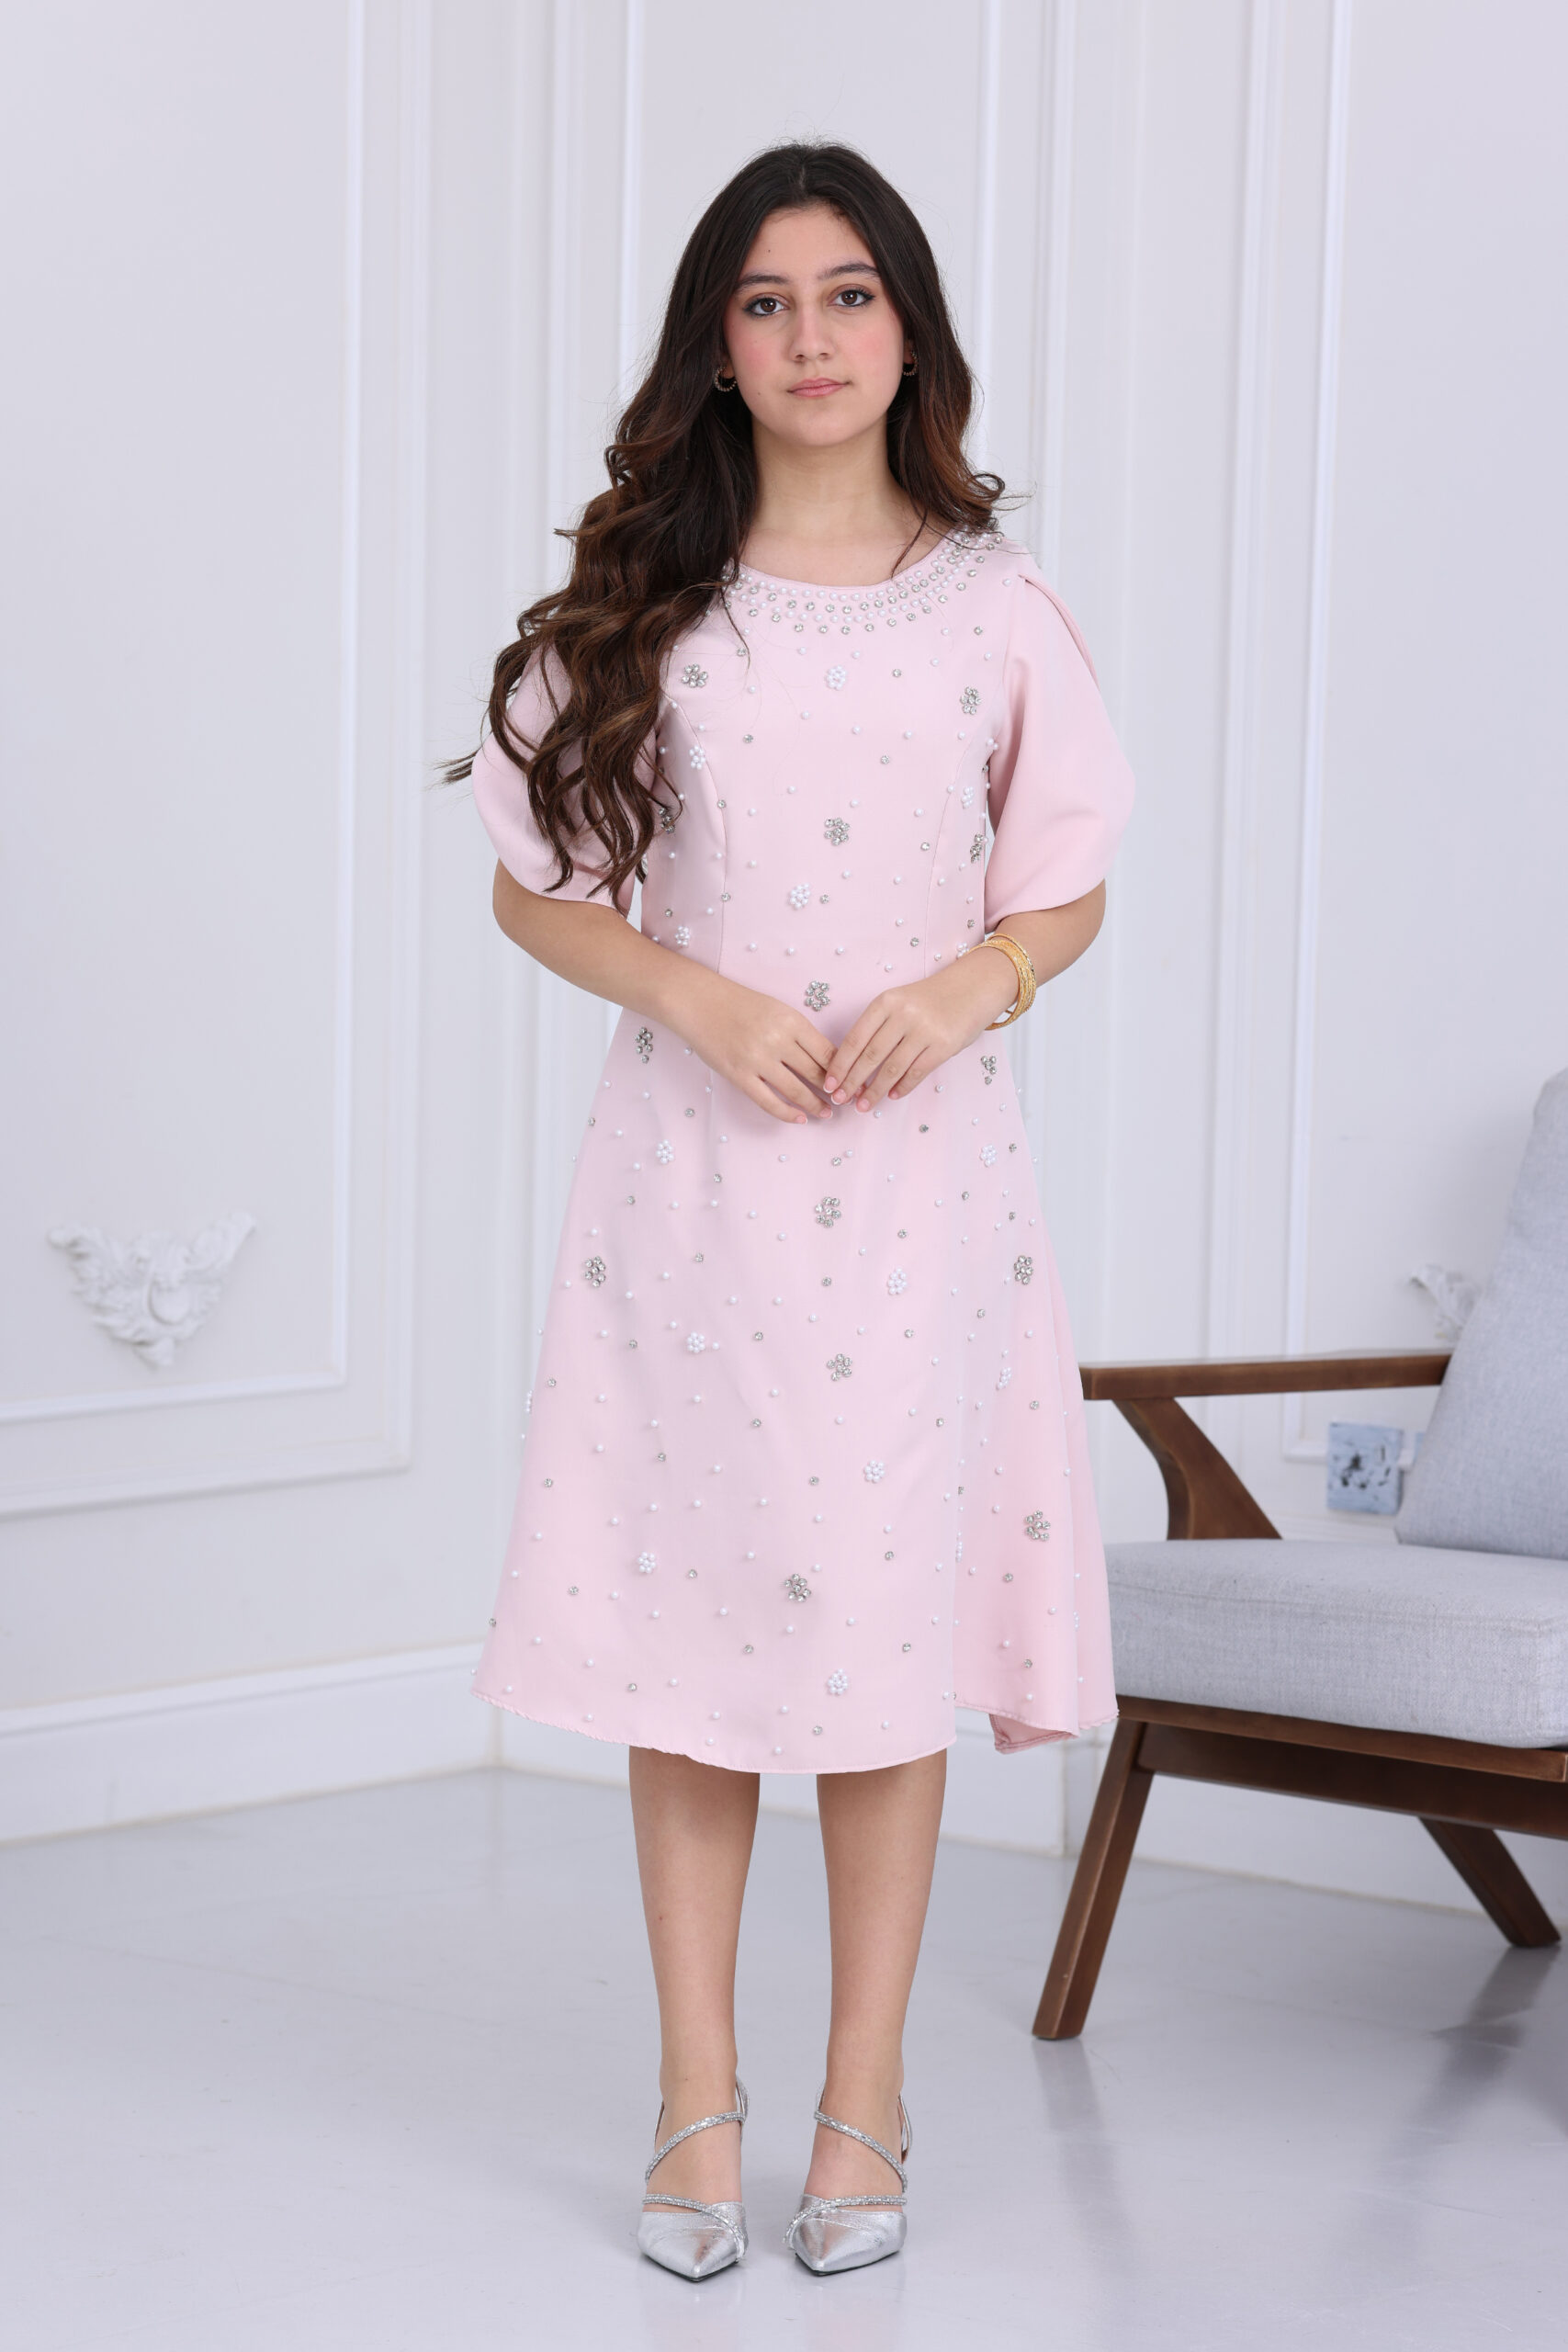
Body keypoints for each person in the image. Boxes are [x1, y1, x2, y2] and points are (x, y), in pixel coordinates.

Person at [448, 141, 1134, 2278]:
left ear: (905, 330)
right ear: (714, 343)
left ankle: (860, 2100)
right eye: (763, 301)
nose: (809, 337)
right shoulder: (646, 600)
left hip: (921, 1190)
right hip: (690, 1187)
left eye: (846, 295)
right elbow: (534, 882)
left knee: (874, 1640)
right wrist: (696, 993)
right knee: (691, 1627)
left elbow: (1066, 877)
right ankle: (691, 2092)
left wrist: (969, 982)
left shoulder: (995, 605)